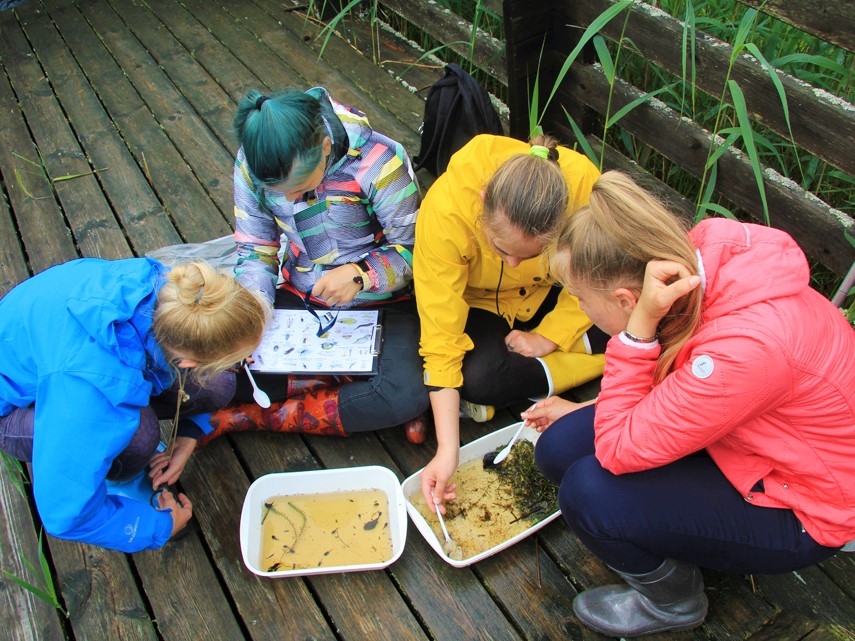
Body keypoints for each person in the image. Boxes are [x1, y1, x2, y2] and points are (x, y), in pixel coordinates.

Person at [523, 171, 855, 637]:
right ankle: (677, 532)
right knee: (560, 447)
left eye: (579, 298)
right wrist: (584, 409)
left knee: (589, 492)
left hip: (805, 501)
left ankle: (672, 604)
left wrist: (635, 333)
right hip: (748, 437)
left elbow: (619, 448)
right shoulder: (697, 255)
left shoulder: (743, 351)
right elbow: (683, 380)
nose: (579, 308)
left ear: (626, 299)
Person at [203, 86, 430, 445]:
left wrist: (362, 275)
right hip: (301, 298)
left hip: (384, 305)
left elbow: (417, 251)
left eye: (299, 186)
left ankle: (244, 417)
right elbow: (256, 250)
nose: (290, 199)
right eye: (277, 192)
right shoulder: (252, 161)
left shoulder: (379, 161)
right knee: (218, 372)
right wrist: (255, 315)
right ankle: (351, 384)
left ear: (325, 147)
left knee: (407, 392)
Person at [0, 258, 269, 553]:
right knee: (139, 437)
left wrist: (190, 434)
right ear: (189, 363)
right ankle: (115, 479)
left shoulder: (174, 293)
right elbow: (63, 514)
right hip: (19, 405)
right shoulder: (89, 391)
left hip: (67, 358)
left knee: (219, 383)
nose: (239, 365)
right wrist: (159, 527)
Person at [415, 133, 608, 510]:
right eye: (501, 250)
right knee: (479, 378)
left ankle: (586, 359)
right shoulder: (446, 211)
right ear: (483, 202)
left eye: (533, 253)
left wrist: (551, 334)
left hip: (561, 293)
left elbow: (599, 273)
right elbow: (440, 334)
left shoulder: (584, 186)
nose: (514, 264)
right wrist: (448, 450)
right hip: (482, 304)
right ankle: (608, 356)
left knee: (637, 310)